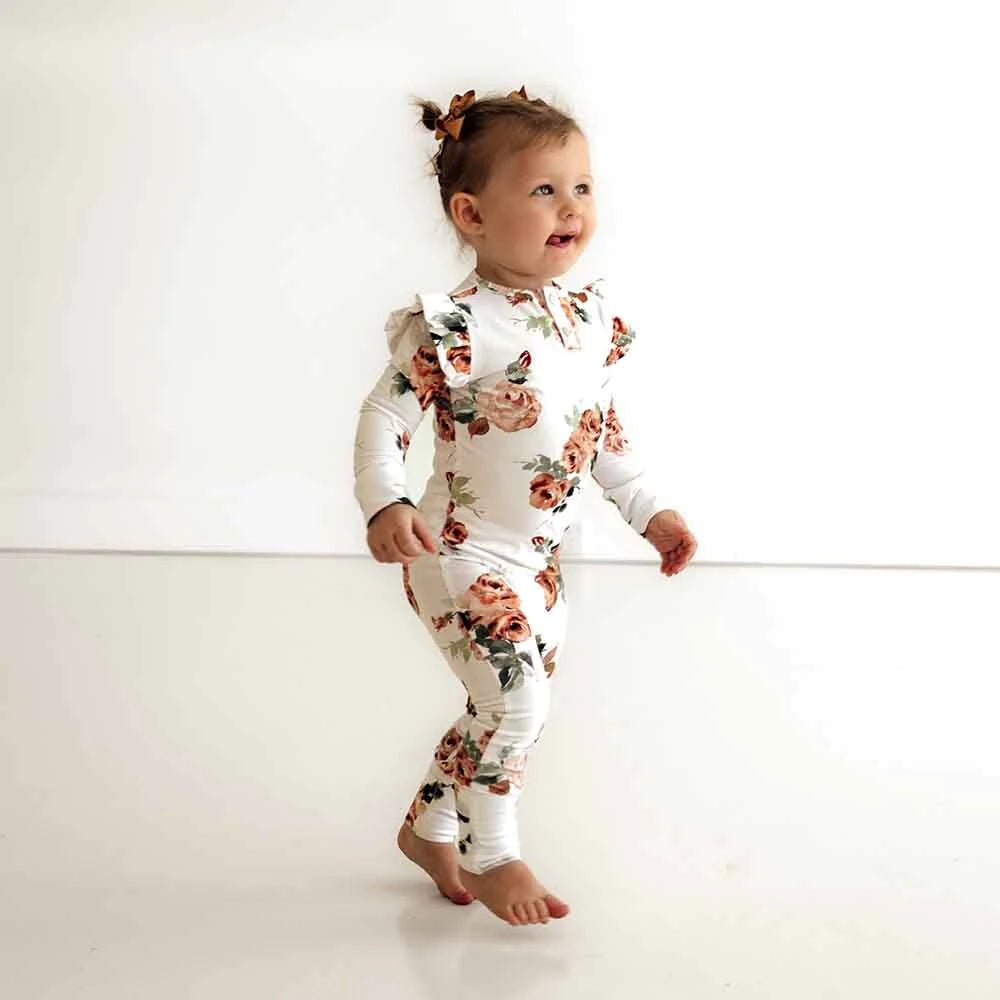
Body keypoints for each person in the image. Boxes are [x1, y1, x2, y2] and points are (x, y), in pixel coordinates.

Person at [352, 86, 697, 927]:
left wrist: (650, 511)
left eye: (582, 187)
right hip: (457, 550)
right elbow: (385, 418)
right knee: (517, 703)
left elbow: (601, 432)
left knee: (500, 708)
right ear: (471, 214)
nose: (571, 207)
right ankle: (493, 853)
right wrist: (386, 502)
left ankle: (429, 828)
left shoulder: (588, 322)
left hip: (540, 568)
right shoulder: (455, 327)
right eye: (544, 189)